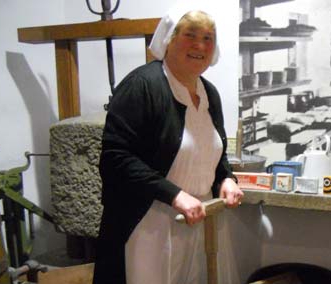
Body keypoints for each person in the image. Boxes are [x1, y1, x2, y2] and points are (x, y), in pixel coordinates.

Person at [93, 6, 243, 284]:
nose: (200, 45)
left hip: (197, 222)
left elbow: (212, 149)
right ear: (168, 39)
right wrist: (174, 194)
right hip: (148, 226)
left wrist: (226, 178)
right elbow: (116, 158)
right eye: (190, 35)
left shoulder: (208, 93)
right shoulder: (142, 86)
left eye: (208, 38)